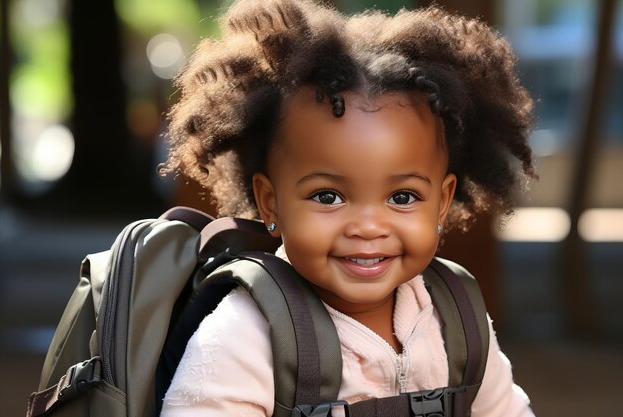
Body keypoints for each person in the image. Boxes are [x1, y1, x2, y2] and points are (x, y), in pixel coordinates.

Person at [159, 0, 537, 416]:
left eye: (402, 197)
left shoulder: (457, 318)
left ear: (442, 202)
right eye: (328, 196)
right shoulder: (246, 336)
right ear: (271, 202)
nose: (368, 226)